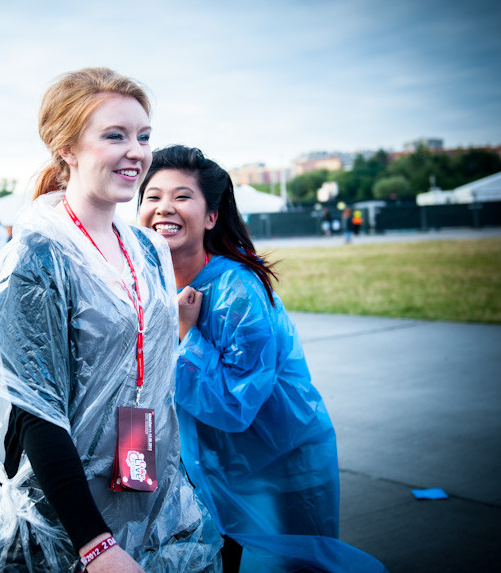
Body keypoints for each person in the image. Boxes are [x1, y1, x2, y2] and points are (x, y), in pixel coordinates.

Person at [0, 68, 223, 572]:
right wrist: (96, 544)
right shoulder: (39, 257)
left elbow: (141, 377)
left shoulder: (146, 248)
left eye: (143, 136)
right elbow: (36, 410)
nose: (137, 151)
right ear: (67, 148)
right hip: (65, 508)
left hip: (139, 474)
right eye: (115, 135)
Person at [138, 145, 386, 573]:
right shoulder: (146, 283)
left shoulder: (237, 290)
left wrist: (183, 335)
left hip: (278, 459)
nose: (165, 208)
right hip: (206, 462)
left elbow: (235, 405)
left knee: (301, 566)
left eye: (182, 196)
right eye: (153, 196)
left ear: (211, 216)